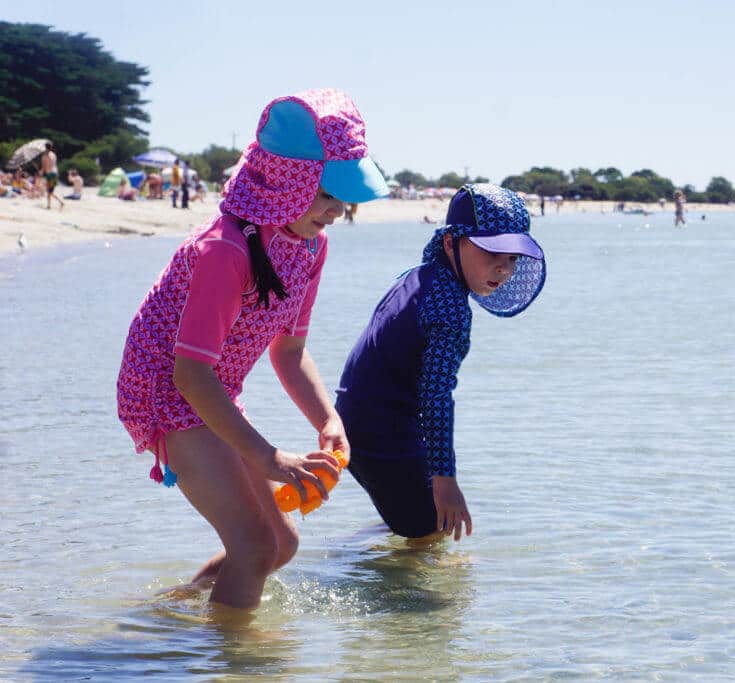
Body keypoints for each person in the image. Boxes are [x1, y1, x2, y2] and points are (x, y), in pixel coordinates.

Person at [115, 88, 389, 609]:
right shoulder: (225, 251)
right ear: (288, 182)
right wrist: (265, 457)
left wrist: (328, 419)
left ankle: (171, 613)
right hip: (166, 390)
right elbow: (190, 375)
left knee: (281, 545)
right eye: (327, 196)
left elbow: (288, 353)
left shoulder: (310, 245)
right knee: (255, 545)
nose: (337, 211)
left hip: (210, 387)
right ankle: (237, 664)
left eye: (344, 200)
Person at [334, 184, 546, 542]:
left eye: (512, 258)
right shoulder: (451, 310)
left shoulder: (419, 277)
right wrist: (445, 480)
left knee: (414, 520)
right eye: (491, 252)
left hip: (351, 417)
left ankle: (350, 551)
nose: (504, 269)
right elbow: (436, 397)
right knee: (432, 530)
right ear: (451, 243)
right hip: (380, 431)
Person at [41, 142, 64, 210]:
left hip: (50, 174)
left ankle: (60, 202)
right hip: (55, 173)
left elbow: (44, 166)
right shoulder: (54, 155)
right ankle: (49, 205)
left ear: (45, 147)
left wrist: (41, 172)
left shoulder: (45, 156)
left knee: (49, 191)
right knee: (50, 190)